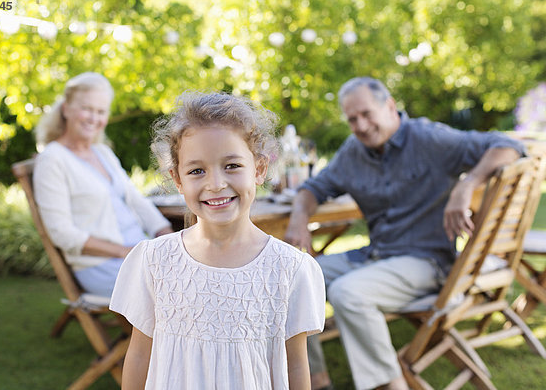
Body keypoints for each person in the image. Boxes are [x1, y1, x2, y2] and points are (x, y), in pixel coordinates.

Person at [283, 77, 524, 390]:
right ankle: (315, 381)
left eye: (367, 114)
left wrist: (467, 185)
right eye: (352, 119)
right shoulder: (353, 152)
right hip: (376, 256)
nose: (361, 125)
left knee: (349, 294)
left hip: (427, 261)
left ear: (390, 106)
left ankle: (394, 386)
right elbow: (312, 188)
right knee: (292, 277)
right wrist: (299, 217)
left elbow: (510, 146)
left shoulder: (430, 138)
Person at [110, 92, 326, 390]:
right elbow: (138, 356)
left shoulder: (290, 269)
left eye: (232, 166)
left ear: (259, 169)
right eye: (197, 171)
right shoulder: (153, 261)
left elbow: (296, 366)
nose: (215, 184)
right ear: (178, 179)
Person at [33, 72, 173, 297]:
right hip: (102, 265)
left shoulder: (102, 152)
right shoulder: (52, 159)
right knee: (178, 288)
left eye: (101, 112)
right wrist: (124, 252)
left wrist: (166, 235)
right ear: (66, 108)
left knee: (193, 272)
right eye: (86, 109)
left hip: (137, 254)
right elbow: (62, 232)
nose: (93, 118)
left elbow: (136, 201)